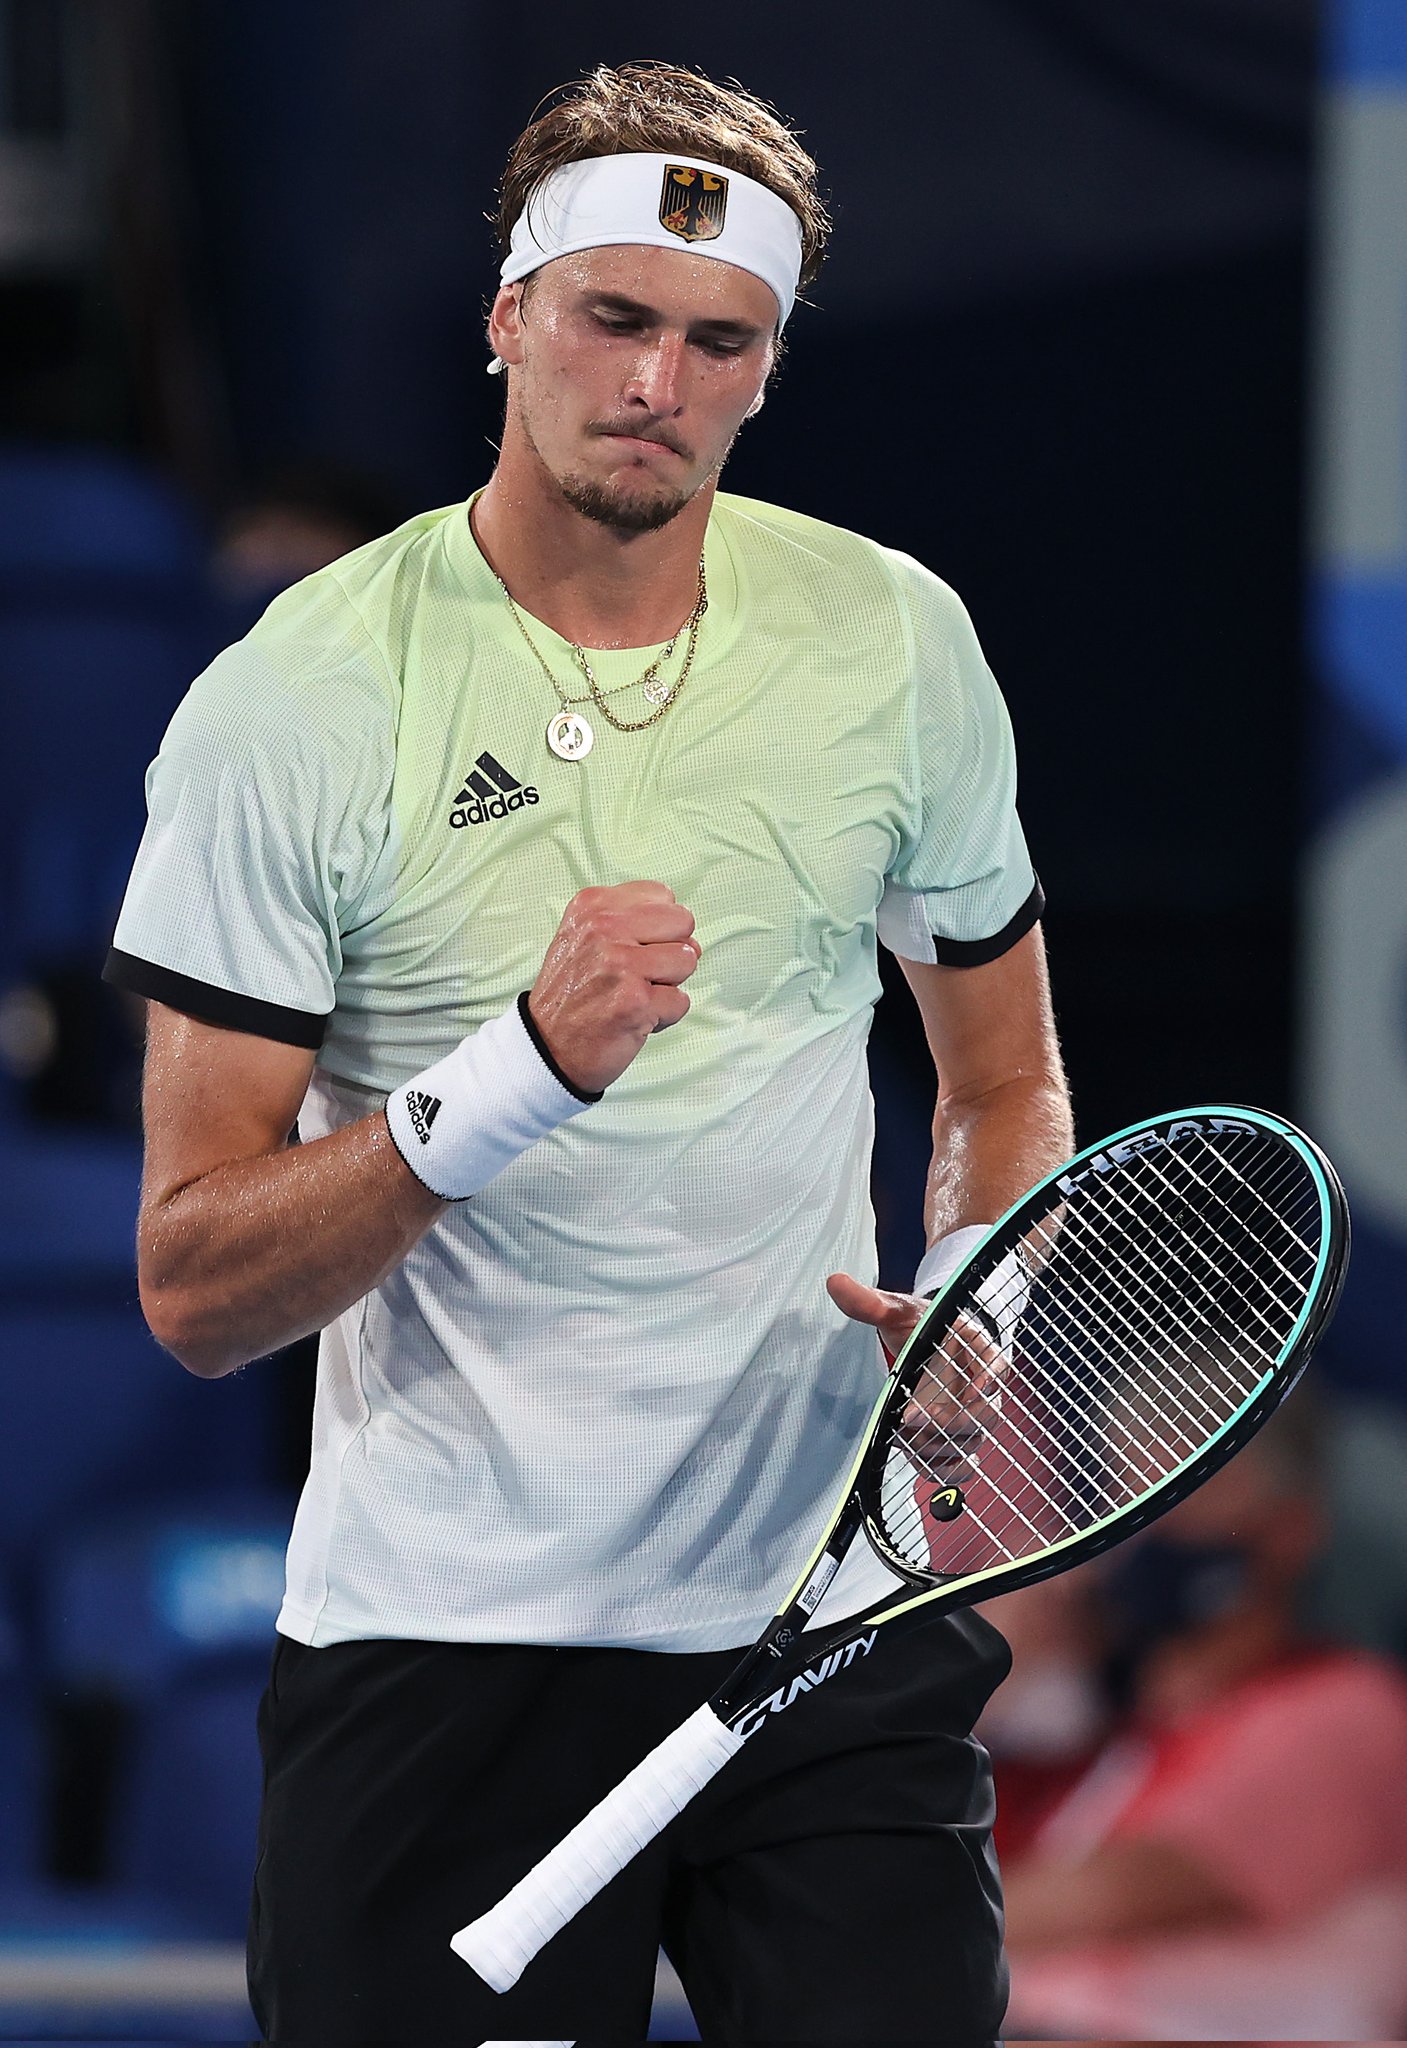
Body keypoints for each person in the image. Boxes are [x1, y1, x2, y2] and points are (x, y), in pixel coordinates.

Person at [104, 61, 1071, 2042]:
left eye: (719, 339)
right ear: (506, 318)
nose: (657, 380)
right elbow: (195, 1285)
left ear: (767, 367)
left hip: (828, 1633)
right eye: (613, 317)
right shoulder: (297, 697)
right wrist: (513, 1076)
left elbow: (1001, 1081)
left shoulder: (893, 640)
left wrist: (981, 1287)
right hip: (451, 1651)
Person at [1000, 1406, 1407, 2040]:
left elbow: (1113, 1899)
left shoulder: (1348, 1707)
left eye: (1187, 1483)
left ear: (1289, 1528)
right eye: (1118, 1490)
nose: (1141, 1522)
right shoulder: (1100, 1742)